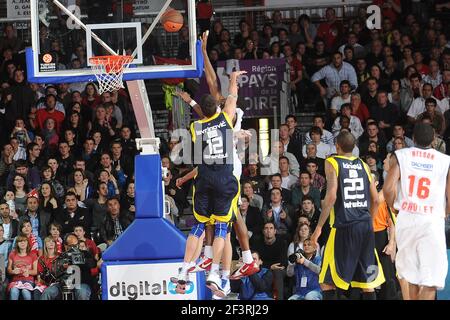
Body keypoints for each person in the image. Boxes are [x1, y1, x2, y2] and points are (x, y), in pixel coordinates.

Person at [311, 131, 385, 300]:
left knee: (326, 280)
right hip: (365, 225)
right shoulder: (364, 165)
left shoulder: (332, 162)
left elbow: (331, 196)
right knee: (367, 282)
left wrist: (318, 228)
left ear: (337, 146)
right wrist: (370, 221)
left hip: (344, 225)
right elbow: (376, 199)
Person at [383, 123, 450, 300]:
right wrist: (445, 212)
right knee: (430, 279)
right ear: (434, 140)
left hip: (407, 218)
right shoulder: (445, 160)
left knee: (410, 276)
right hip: (431, 221)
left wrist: (394, 207)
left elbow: (388, 189)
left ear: (412, 139)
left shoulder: (401, 155)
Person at [40, 233, 96, 300]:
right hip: (63, 285)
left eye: (76, 245)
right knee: (47, 292)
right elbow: (54, 275)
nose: (75, 247)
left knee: (82, 293)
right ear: (66, 246)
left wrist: (81, 260)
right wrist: (62, 267)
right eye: (72, 246)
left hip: (81, 283)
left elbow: (93, 263)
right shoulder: (61, 256)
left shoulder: (84, 253)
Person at [7, 235, 38, 300]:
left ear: (27, 243)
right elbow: (8, 269)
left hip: (28, 280)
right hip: (16, 280)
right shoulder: (12, 254)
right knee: (14, 291)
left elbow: (35, 271)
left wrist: (28, 272)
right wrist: (13, 271)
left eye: (24, 241)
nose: (22, 243)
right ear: (17, 244)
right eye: (20, 241)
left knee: (25, 292)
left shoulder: (33, 255)